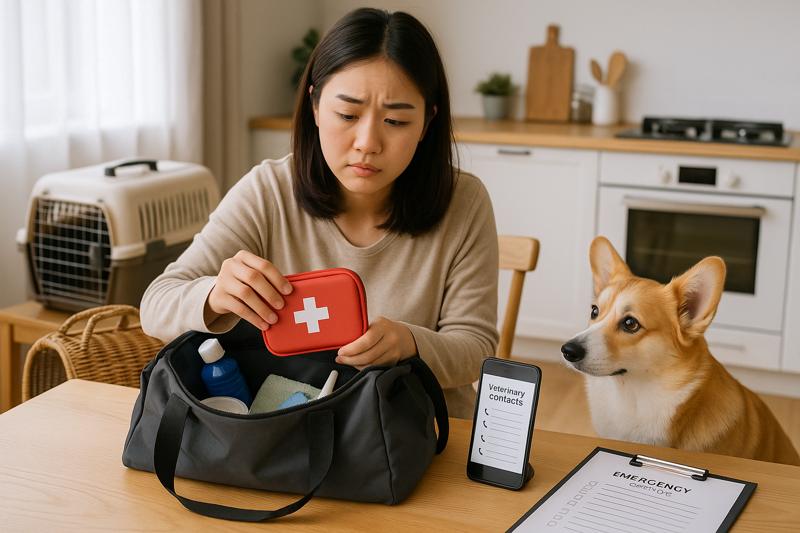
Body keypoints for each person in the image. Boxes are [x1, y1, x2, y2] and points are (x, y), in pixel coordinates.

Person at [140, 7, 498, 419]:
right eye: (347, 115)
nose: (367, 142)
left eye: (396, 121)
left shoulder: (464, 201)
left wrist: (410, 343)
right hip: (291, 432)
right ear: (314, 105)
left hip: (421, 435)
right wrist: (216, 297)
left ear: (427, 123)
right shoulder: (269, 191)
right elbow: (156, 303)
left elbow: (476, 347)